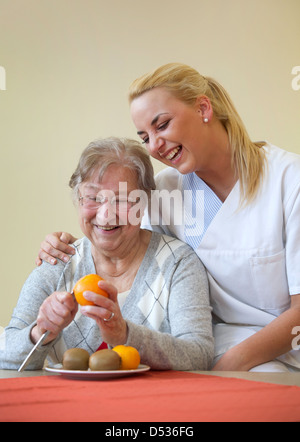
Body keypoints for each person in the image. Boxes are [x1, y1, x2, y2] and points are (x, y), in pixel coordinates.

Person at [36, 63, 300, 373]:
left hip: (279, 352)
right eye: (145, 137)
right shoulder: (164, 190)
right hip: (204, 348)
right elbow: (123, 248)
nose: (155, 146)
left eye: (161, 125)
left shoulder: (289, 180)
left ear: (203, 107)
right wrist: (63, 246)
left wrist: (228, 367)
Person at [0, 137, 214, 371]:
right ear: (78, 200)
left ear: (144, 203)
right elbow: (6, 354)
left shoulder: (177, 262)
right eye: (92, 198)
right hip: (66, 405)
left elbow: (199, 355)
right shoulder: (58, 262)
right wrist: (40, 331)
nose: (105, 215)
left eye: (122, 200)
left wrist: (126, 334)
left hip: (151, 405)